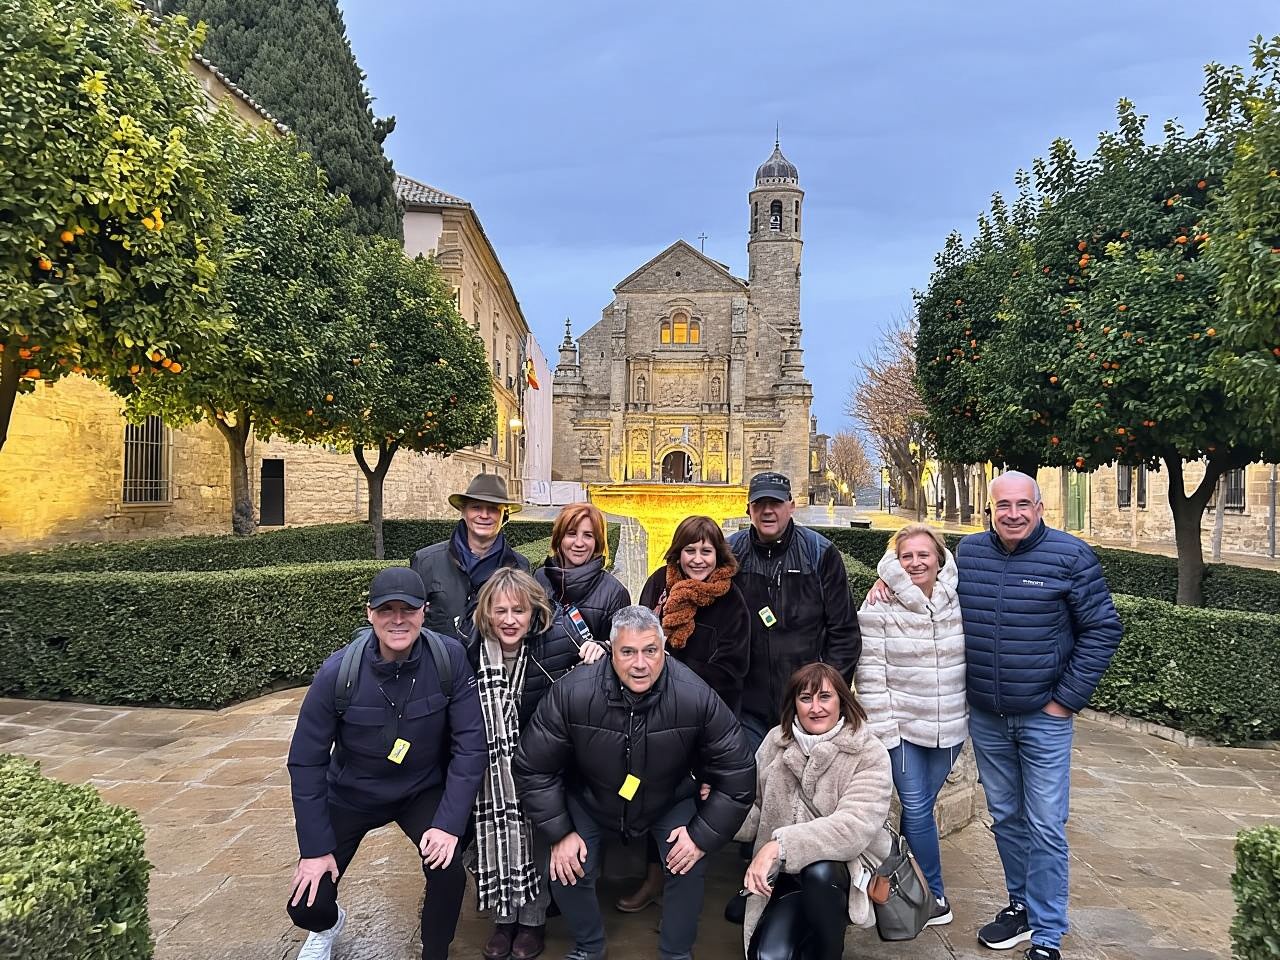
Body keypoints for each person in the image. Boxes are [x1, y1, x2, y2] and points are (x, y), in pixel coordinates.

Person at [868, 471, 1122, 960]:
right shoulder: (972, 555)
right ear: (991, 509)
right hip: (986, 716)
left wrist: (1065, 699)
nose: (1013, 513)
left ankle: (1047, 935)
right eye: (1003, 505)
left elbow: (1103, 630)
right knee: (1006, 817)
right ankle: (1021, 906)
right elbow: (924, 577)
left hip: (1045, 715)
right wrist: (888, 579)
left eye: (1023, 504)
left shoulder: (1071, 556)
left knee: (1045, 822)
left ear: (1040, 507)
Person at [512, 605, 756, 960]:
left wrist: (701, 835)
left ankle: (676, 953)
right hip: (591, 797)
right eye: (628, 652)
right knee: (566, 867)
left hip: (668, 797)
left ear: (663, 649)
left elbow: (738, 770)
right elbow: (533, 766)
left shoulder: (694, 694)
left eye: (650, 651)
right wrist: (560, 833)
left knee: (687, 862)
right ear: (612, 651)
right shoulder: (572, 693)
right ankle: (588, 948)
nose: (640, 663)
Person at [285, 567, 486, 960]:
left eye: (407, 609)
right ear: (369, 614)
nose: (398, 620)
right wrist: (314, 849)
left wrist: (447, 825)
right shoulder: (336, 674)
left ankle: (435, 952)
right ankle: (328, 924)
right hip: (352, 792)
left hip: (420, 790)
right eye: (386, 610)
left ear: (424, 612)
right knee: (306, 902)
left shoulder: (450, 659)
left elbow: (470, 746)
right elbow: (306, 762)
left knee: (448, 871)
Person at [469, 568, 609, 960]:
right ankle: (503, 919)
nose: (510, 619)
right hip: (491, 774)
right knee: (498, 836)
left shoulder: (556, 640)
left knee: (537, 839)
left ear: (534, 613)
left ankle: (532, 921)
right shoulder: (471, 649)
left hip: (543, 766)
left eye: (519, 610)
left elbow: (604, 658)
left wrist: (600, 648)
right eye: (501, 611)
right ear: (487, 614)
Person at [617, 515, 752, 913]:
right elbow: (639, 637)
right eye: (690, 550)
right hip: (650, 712)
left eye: (705, 551)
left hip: (704, 719)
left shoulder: (731, 598)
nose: (697, 559)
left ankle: (680, 887)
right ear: (679, 552)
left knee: (690, 802)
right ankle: (653, 876)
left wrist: (681, 687)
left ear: (718, 554)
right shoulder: (659, 584)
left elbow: (732, 668)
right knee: (646, 790)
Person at [734, 662, 892, 960]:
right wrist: (718, 807)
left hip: (841, 874)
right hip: (782, 876)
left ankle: (829, 949)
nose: (815, 707)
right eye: (806, 698)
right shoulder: (774, 741)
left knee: (819, 874)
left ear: (842, 701)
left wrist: (778, 846)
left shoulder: (868, 751)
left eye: (825, 697)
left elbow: (852, 828)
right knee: (768, 956)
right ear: (794, 704)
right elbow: (753, 810)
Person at [855, 523, 966, 928]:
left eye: (923, 554)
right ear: (895, 562)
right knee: (917, 808)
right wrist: (884, 730)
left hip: (950, 727)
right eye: (907, 556)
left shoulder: (958, 597)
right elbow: (870, 674)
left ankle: (904, 884)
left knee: (920, 810)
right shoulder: (879, 604)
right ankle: (933, 894)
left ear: (939, 557)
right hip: (901, 728)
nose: (916, 562)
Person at [728, 471, 862, 754]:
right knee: (745, 784)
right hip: (746, 707)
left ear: (791, 505)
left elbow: (844, 632)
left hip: (805, 704)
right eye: (759, 503)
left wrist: (825, 695)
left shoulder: (819, 552)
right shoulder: (730, 553)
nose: (767, 511)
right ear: (748, 508)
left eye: (775, 503)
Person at [412, 473, 529, 642]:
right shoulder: (426, 561)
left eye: (493, 509)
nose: (484, 515)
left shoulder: (519, 566)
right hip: (441, 664)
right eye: (476, 507)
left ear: (504, 515)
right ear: (463, 511)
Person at [535, 502, 630, 648]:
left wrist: (604, 648)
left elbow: (621, 650)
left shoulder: (615, 593)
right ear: (559, 538)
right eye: (571, 534)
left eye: (588, 535)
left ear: (597, 542)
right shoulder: (540, 578)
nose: (579, 543)